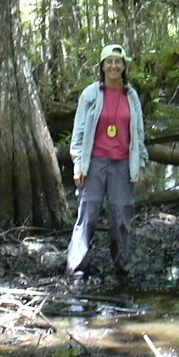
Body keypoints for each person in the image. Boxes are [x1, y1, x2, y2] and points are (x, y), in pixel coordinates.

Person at [66, 43, 148, 278]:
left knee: (120, 219)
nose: (114, 66)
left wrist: (140, 165)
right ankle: (78, 268)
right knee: (87, 217)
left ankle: (121, 268)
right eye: (109, 62)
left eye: (118, 62)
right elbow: (79, 132)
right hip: (94, 163)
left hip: (123, 164)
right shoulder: (90, 94)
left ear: (124, 66)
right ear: (102, 66)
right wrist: (78, 163)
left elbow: (139, 133)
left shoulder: (131, 96)